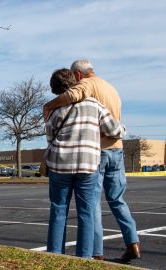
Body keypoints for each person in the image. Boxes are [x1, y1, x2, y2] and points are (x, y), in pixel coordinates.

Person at [43, 60, 140, 261]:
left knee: (60, 209)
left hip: (62, 164)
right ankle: (89, 256)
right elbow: (113, 128)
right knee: (95, 208)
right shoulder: (103, 94)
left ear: (78, 76)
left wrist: (49, 105)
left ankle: (57, 255)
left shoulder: (61, 104)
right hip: (95, 159)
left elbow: (50, 136)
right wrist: (121, 130)